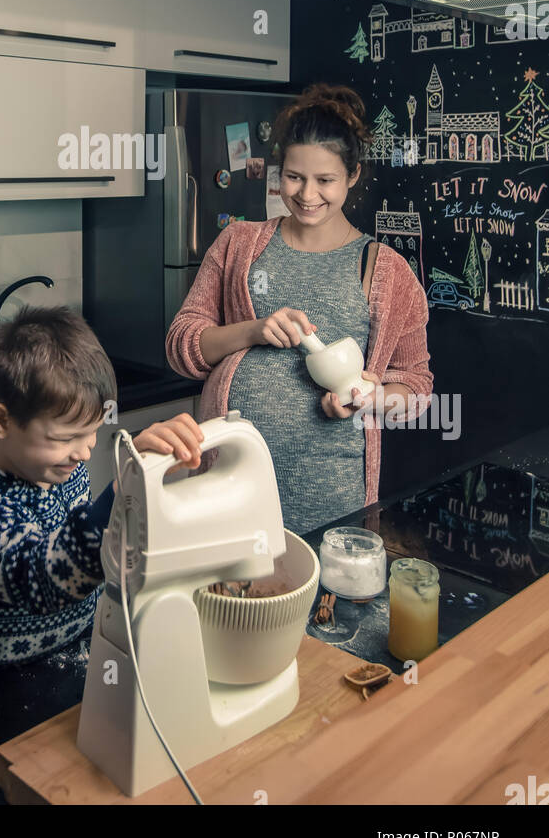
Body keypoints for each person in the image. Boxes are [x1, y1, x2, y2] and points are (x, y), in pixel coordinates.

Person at [166, 83, 432, 535]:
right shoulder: (238, 244)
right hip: (229, 489)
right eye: (293, 177)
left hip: (332, 497)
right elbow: (181, 347)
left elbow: (416, 386)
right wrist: (252, 330)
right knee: (231, 604)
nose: (307, 194)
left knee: (323, 603)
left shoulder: (387, 271)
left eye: (325, 180)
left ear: (353, 175)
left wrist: (372, 400)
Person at [0, 304, 204, 699]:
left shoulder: (60, 469)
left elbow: (89, 544)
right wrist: (123, 490)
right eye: (64, 438)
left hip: (70, 670)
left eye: (91, 433)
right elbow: (39, 578)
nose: (85, 453)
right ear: (2, 421)